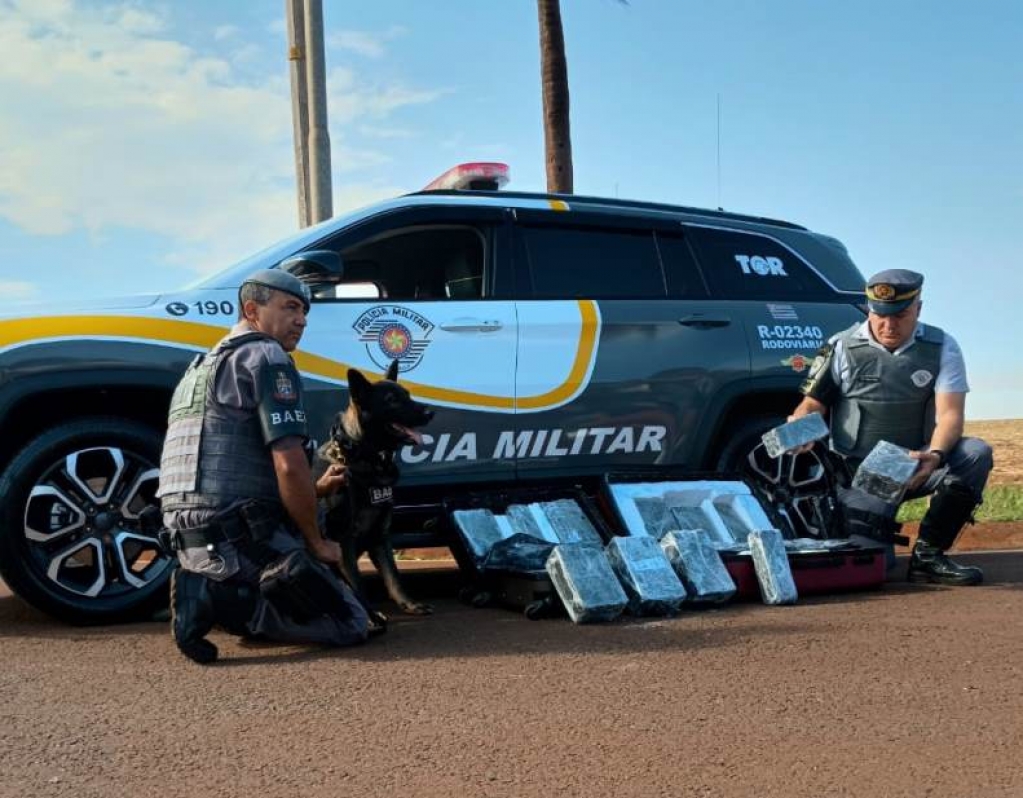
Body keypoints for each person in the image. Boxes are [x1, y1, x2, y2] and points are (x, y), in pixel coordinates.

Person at [156, 268, 373, 663]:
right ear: (252, 309)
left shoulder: (199, 368)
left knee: (295, 584)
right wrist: (316, 542)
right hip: (235, 536)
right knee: (351, 622)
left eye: (305, 311)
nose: (302, 320)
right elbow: (288, 466)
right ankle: (214, 596)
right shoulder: (266, 356)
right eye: (290, 307)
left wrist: (317, 490)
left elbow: (223, 463)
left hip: (187, 536)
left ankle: (217, 590)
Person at [789, 268, 993, 586]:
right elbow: (812, 405)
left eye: (900, 314)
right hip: (865, 470)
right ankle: (870, 532)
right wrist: (799, 426)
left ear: (918, 309)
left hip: (915, 461)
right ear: (869, 308)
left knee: (975, 452)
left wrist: (935, 455)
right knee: (872, 570)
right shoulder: (838, 346)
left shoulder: (942, 346)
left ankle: (929, 556)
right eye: (879, 314)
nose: (888, 324)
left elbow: (950, 414)